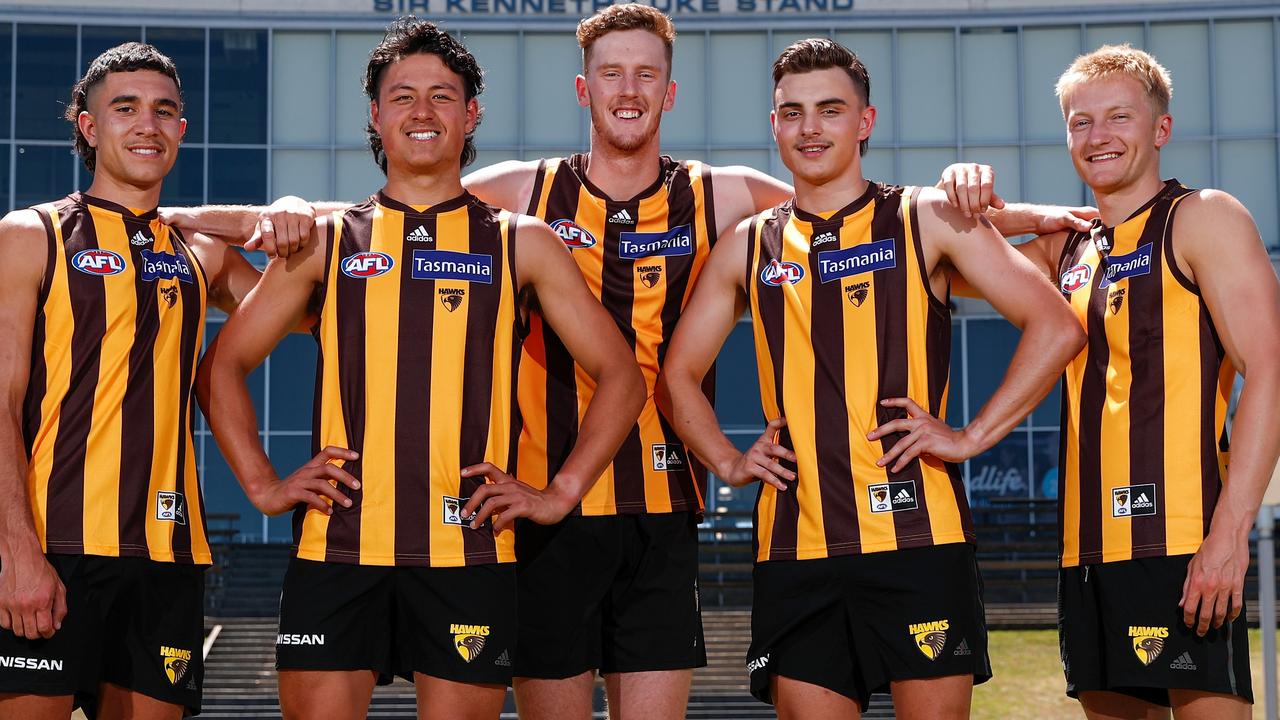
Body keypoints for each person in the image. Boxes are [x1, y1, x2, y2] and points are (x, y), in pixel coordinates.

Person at [194, 17, 644, 720]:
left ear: (472, 115)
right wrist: (262, 484)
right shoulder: (327, 241)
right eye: (402, 96)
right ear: (375, 115)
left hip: (468, 555)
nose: (422, 111)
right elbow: (223, 365)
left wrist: (560, 493)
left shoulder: (520, 242)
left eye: (442, 95)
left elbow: (623, 377)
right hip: (336, 549)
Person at [656, 38, 1085, 720]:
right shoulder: (749, 242)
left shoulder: (926, 217)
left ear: (865, 122)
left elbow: (1057, 326)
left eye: (830, 110)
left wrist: (969, 436)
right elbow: (676, 373)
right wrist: (730, 462)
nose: (809, 128)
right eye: (792, 113)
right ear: (774, 125)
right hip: (794, 548)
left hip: (919, 543)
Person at [944, 44, 1280, 719]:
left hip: (1184, 542)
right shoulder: (1063, 248)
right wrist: (1006, 208)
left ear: (1161, 129)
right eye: (1079, 122)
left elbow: (1270, 369)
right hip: (1087, 550)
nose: (1097, 137)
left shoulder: (1203, 218)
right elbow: (932, 264)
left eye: (1119, 118)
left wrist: (1228, 534)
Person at [0, 43, 273, 720]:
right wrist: (18, 555)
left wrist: (269, 218)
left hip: (168, 555)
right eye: (125, 109)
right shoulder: (29, 234)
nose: (147, 124)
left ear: (182, 130)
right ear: (89, 128)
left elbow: (326, 313)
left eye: (165, 111)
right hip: (54, 548)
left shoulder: (201, 253)